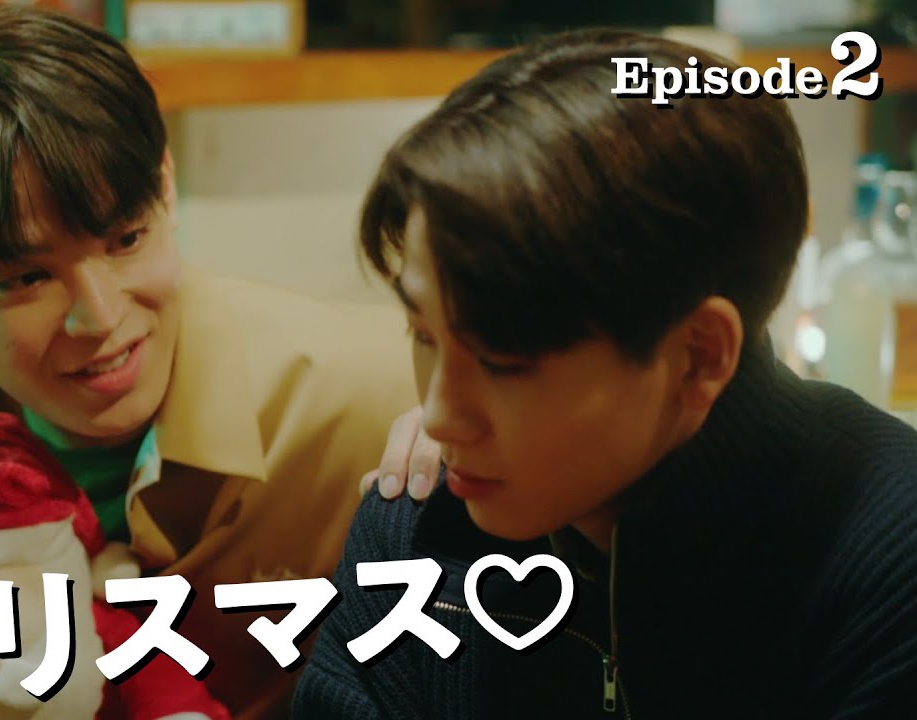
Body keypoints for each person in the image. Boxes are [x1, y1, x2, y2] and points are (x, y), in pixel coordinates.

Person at [0, 6, 417, 719]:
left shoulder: (378, 399)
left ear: (165, 189)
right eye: (26, 278)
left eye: (127, 239)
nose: (101, 317)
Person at [295, 29, 917, 719]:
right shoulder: (410, 527)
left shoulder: (889, 564)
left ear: (699, 356)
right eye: (423, 334)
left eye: (504, 362)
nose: (439, 417)